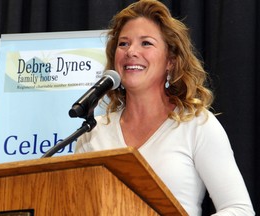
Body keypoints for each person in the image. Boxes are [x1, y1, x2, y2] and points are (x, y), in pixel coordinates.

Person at [75, 0, 255, 215]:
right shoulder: (93, 133)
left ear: (170, 60)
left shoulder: (196, 124)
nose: (131, 51)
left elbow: (239, 209)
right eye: (123, 43)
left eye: (146, 43)